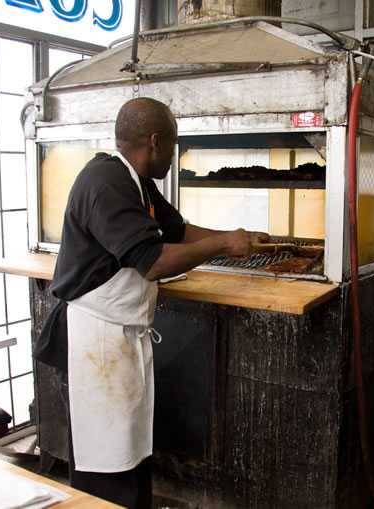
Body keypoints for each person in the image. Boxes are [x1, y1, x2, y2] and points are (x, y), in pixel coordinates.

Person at [34, 97, 268, 509]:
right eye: (175, 146)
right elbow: (154, 261)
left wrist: (235, 237)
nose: (175, 156)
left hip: (121, 337)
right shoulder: (105, 183)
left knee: (130, 453)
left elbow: (177, 231)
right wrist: (222, 245)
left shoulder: (138, 183)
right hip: (95, 342)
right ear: (156, 142)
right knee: (105, 464)